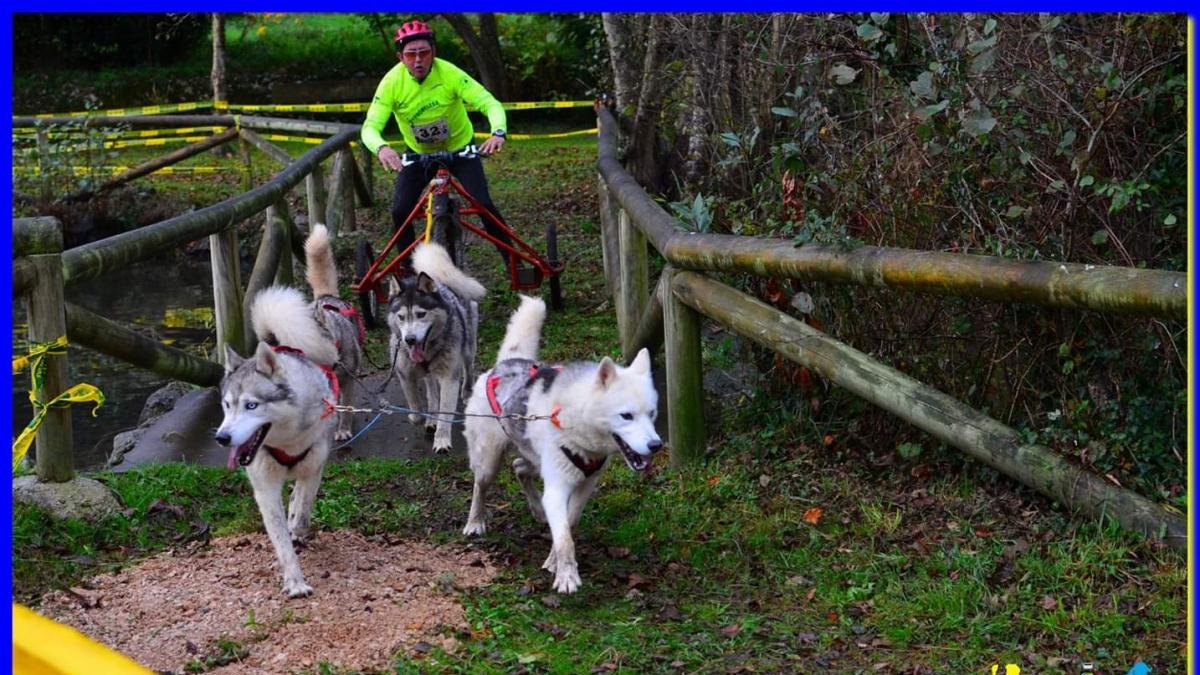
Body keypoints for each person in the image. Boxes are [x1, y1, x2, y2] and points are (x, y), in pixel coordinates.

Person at [360, 19, 513, 270]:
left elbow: (489, 103)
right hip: (419, 155)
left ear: (434, 53)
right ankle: (409, 269)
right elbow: (370, 126)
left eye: (424, 53)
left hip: (460, 150)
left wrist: (498, 132)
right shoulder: (391, 83)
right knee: (400, 211)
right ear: (401, 57)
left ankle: (511, 260)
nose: (418, 60)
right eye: (411, 54)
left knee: (483, 204)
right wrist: (382, 148)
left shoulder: (450, 73)